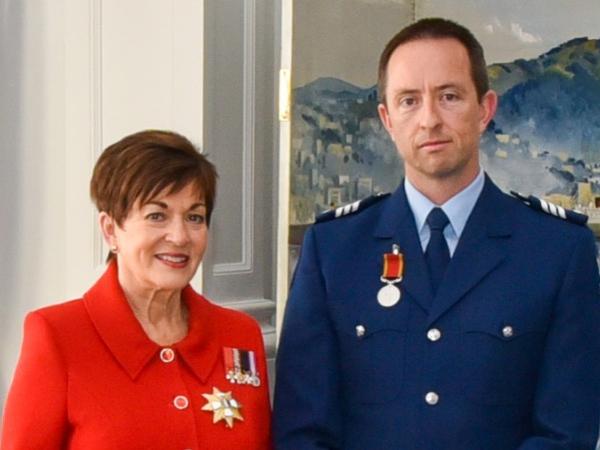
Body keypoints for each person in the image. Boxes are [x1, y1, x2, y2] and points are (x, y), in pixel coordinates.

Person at [274, 18, 600, 449]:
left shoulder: (558, 251)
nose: (429, 119)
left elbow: (566, 433)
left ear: (485, 109)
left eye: (449, 96)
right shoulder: (333, 250)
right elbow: (302, 430)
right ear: (387, 119)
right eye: (409, 100)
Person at [1, 130, 272, 449]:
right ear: (110, 229)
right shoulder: (58, 336)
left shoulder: (240, 334)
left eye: (194, 217)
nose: (180, 235)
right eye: (157, 216)